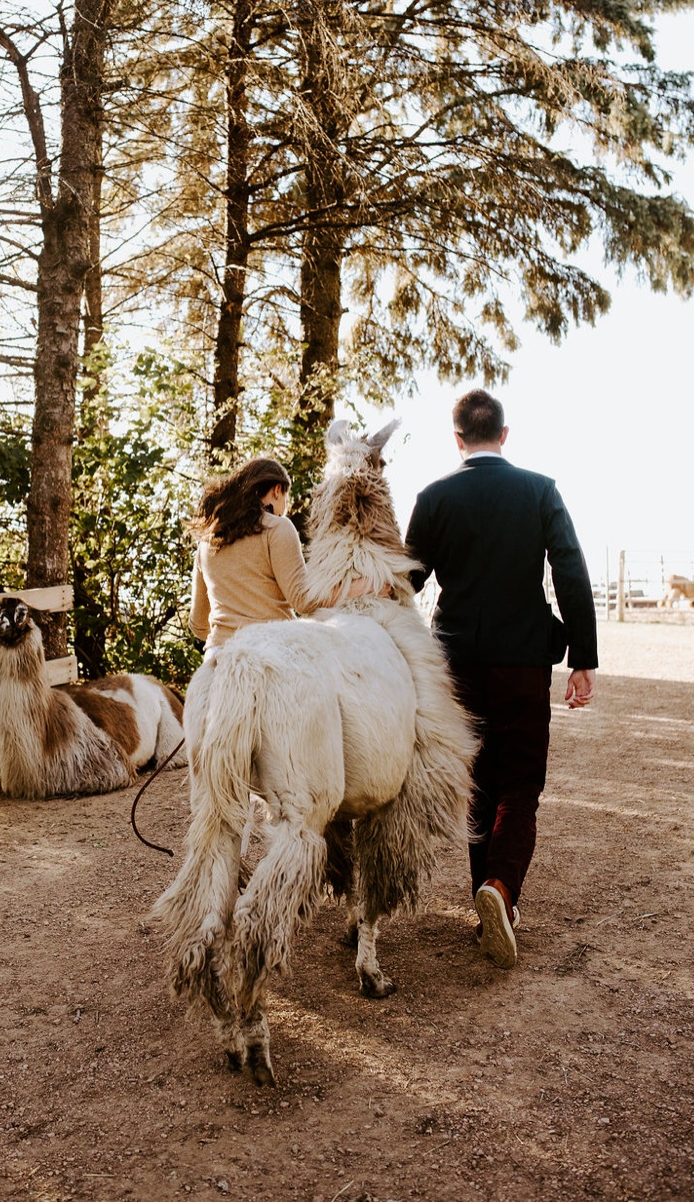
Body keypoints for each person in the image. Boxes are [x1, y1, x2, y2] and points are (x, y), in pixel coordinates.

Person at [405, 389, 598, 970]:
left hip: (457, 664)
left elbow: (405, 583)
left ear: (457, 439)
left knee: (479, 785)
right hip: (521, 664)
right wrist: (583, 657)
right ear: (505, 435)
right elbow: (570, 568)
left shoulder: (434, 497)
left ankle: (484, 898)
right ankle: (501, 893)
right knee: (519, 787)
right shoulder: (538, 490)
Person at [187, 456, 372, 659]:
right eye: (286, 497)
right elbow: (303, 601)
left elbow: (198, 625)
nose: (286, 506)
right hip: (272, 651)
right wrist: (367, 586)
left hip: (217, 654)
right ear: (277, 490)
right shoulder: (276, 527)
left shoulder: (207, 542)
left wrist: (226, 632)